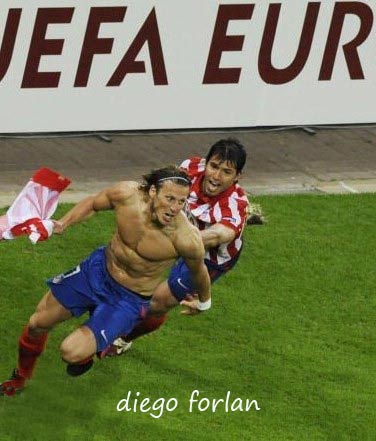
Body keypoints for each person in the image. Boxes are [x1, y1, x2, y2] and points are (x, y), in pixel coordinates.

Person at [0, 166, 211, 396]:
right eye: (169, 198)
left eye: (181, 201)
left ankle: (90, 351)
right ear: (153, 191)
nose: (174, 208)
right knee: (37, 324)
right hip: (96, 271)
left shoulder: (186, 238)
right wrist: (63, 224)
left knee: (70, 352)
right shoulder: (127, 195)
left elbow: (199, 271)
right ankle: (21, 376)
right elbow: (93, 203)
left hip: (127, 300)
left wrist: (204, 302)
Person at [105, 137, 249, 355]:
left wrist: (173, 242)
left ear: (238, 176)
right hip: (181, 234)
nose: (216, 176)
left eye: (226, 172)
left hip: (210, 257)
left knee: (157, 303)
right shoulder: (189, 168)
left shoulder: (234, 206)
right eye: (214, 166)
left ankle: (123, 339)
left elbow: (216, 236)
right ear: (206, 162)